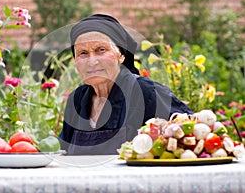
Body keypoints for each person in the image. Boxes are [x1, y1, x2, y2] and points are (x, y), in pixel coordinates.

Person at [58, 14, 192, 155]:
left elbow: (190, 133)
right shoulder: (77, 98)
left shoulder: (146, 91)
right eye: (83, 53)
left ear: (121, 55)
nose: (92, 61)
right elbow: (62, 151)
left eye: (101, 50)